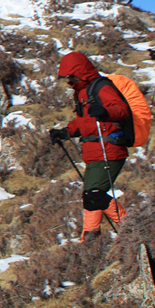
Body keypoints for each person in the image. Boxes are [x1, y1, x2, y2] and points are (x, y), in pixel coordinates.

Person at [46, 51, 129, 243]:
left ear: (80, 72)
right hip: (94, 151)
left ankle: (131, 227)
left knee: (95, 194)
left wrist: (106, 111)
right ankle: (91, 239)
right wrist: (65, 132)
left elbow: (121, 110)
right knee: (90, 196)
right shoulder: (82, 92)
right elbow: (83, 121)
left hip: (109, 148)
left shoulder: (101, 88)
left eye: (71, 76)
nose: (69, 81)